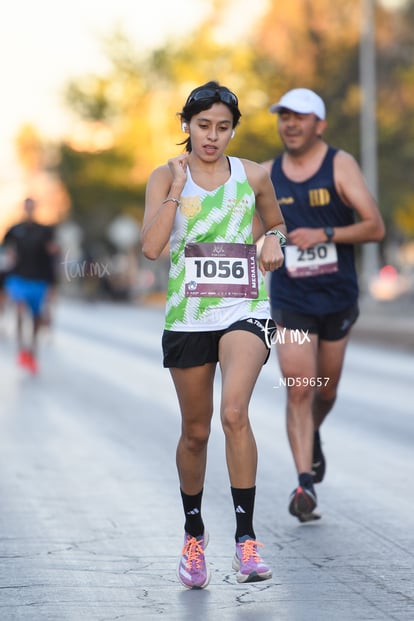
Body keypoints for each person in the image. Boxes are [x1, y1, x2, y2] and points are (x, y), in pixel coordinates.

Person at [141, 81, 287, 588]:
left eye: (223, 127)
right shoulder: (165, 176)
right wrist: (177, 193)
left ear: (233, 130)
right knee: (195, 432)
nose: (213, 136)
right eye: (203, 126)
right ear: (187, 125)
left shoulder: (254, 175)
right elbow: (152, 248)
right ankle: (194, 534)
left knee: (233, 413)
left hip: (245, 306)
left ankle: (246, 540)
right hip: (187, 316)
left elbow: (276, 222)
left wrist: (274, 239)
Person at [261, 88, 385, 522]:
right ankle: (304, 484)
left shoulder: (339, 164)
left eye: (300, 117)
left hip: (336, 299)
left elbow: (374, 226)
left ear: (320, 124)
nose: (290, 124)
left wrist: (326, 235)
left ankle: (312, 433)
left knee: (325, 391)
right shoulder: (268, 174)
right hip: (291, 301)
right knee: (299, 387)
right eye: (284, 117)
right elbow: (254, 229)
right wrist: (267, 243)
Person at [3, 197, 59, 374]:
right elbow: (4, 249)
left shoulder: (44, 231)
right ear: (23, 208)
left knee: (36, 317)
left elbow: (52, 257)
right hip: (19, 277)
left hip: (39, 279)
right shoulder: (15, 229)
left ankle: (32, 348)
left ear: (34, 208)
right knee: (19, 309)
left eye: (31, 207)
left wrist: (52, 286)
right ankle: (21, 347)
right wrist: (9, 254)